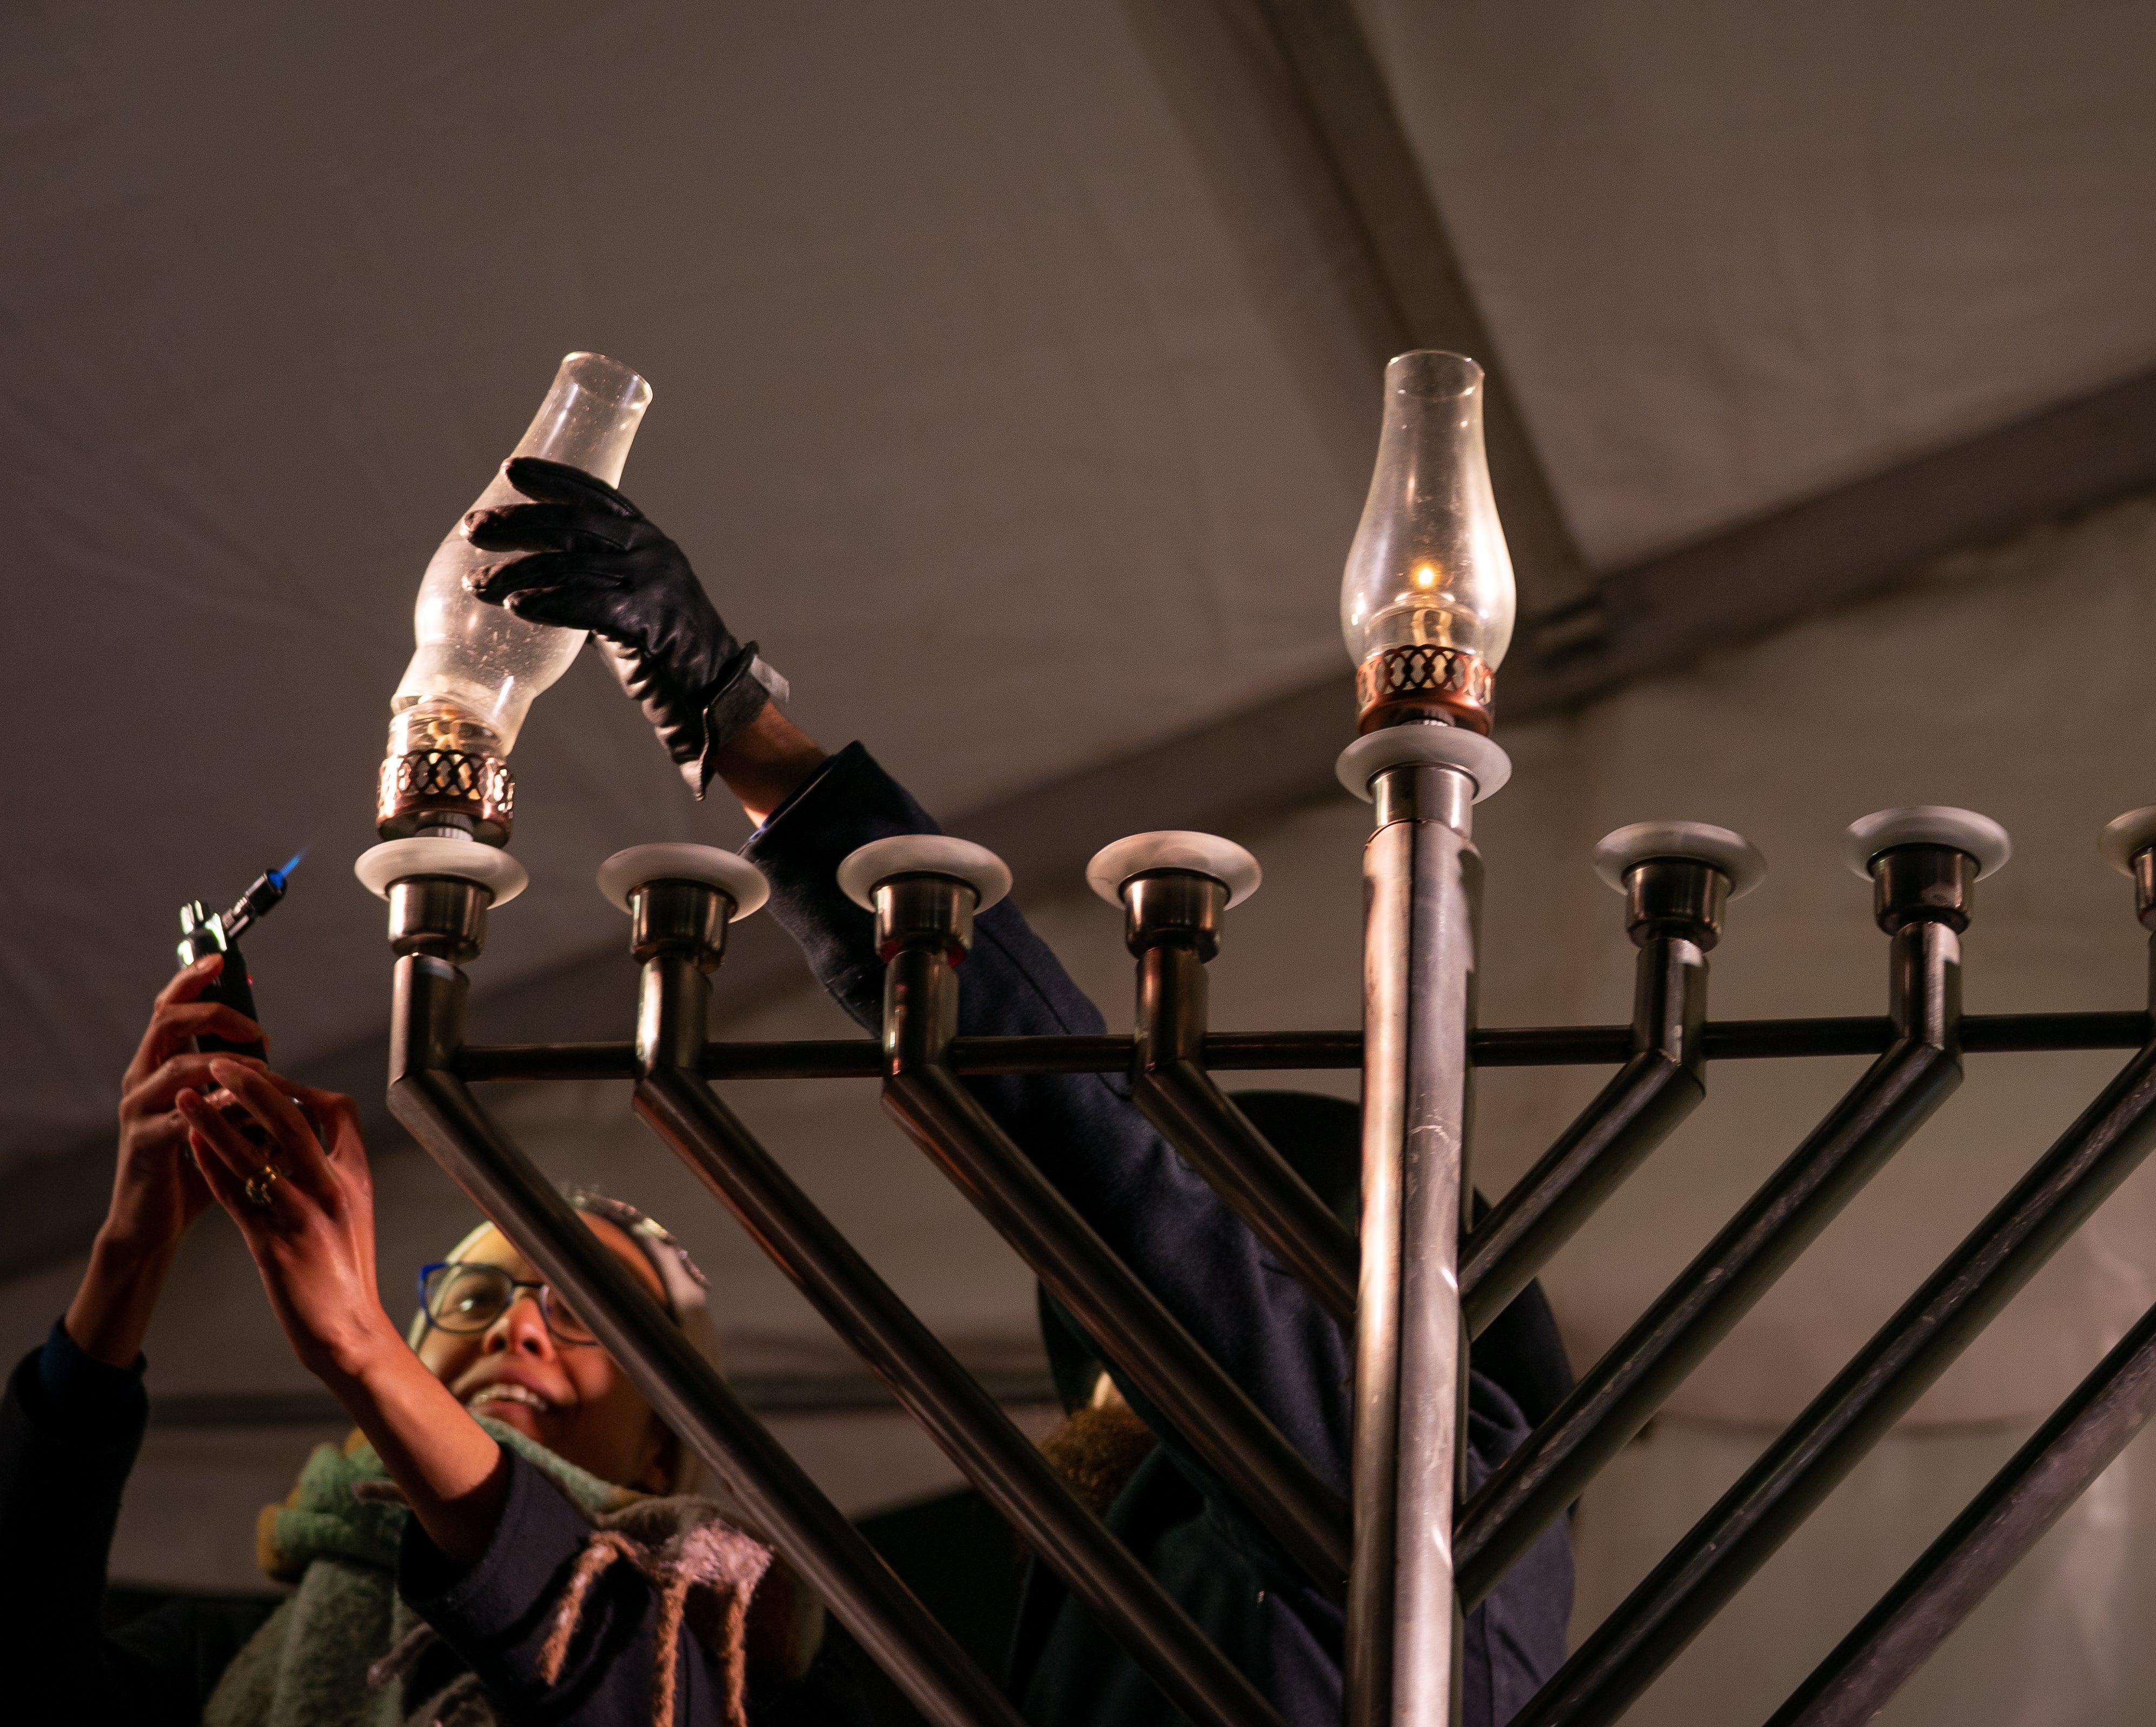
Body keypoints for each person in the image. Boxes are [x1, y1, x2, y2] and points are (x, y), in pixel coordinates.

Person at [462, 459, 1578, 1725]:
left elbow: (1092, 1163)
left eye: (1221, 1269)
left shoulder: (1426, 1486)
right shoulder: (1127, 1561)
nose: (1118, 1340)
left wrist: (744, 727)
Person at [0, 958, 854, 1726]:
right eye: (474, 1296)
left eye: (587, 1309)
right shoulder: (220, 1659)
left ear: (664, 1452)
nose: (513, 1324)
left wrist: (361, 1345)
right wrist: (128, 1252)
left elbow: (623, 1690)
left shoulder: (727, 1657)